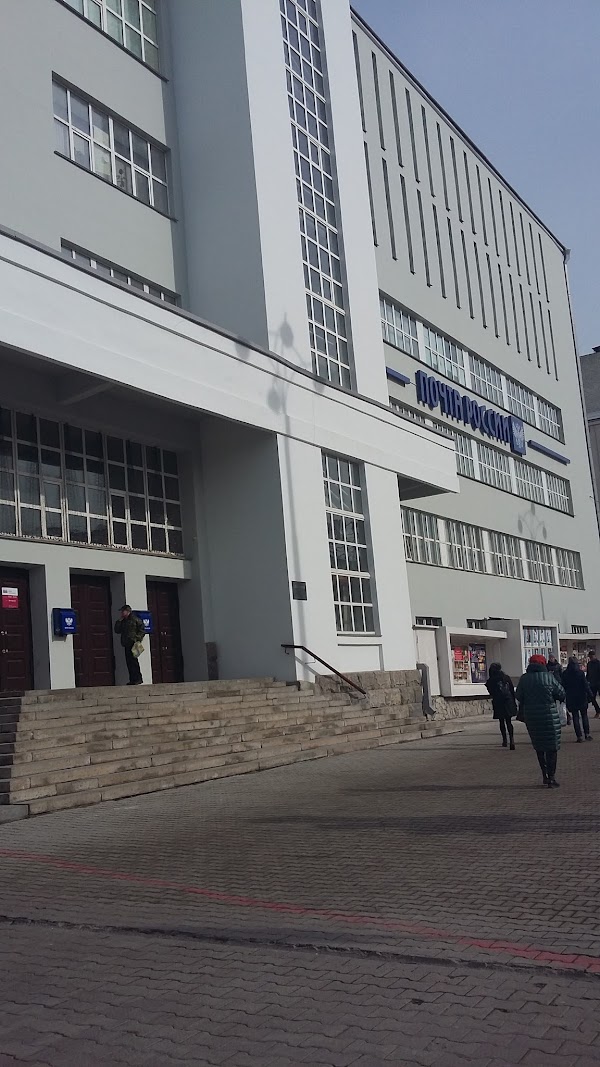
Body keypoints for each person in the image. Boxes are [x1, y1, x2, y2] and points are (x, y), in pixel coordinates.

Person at [516, 654, 565, 788]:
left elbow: (518, 695)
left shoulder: (524, 679)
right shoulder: (548, 677)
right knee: (552, 747)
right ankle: (552, 777)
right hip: (550, 716)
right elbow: (561, 693)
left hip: (532, 717)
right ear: (543, 664)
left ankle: (544, 775)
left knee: (539, 747)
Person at [485, 662, 516, 749]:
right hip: (508, 701)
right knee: (509, 721)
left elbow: (491, 692)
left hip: (498, 702)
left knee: (501, 721)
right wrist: (513, 702)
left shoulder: (491, 680)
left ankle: (504, 741)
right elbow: (512, 690)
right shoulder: (506, 677)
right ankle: (512, 740)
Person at [562, 656, 593, 742]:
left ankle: (579, 736)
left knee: (575, 717)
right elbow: (585, 685)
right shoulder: (580, 673)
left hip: (571, 697)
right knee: (584, 716)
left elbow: (563, 686)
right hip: (581, 696)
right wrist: (590, 695)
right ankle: (587, 734)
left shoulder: (565, 674)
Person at [114, 604, 145, 685]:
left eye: (123, 611)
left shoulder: (135, 619)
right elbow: (117, 630)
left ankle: (138, 678)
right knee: (129, 662)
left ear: (127, 611)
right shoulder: (123, 621)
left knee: (134, 662)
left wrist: (137, 638)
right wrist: (119, 621)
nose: (121, 613)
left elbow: (142, 629)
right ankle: (132, 679)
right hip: (126, 643)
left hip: (133, 644)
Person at [585, 650, 600, 718]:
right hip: (592, 683)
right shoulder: (589, 664)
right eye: (590, 657)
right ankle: (598, 710)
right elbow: (588, 674)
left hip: (599, 683)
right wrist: (586, 681)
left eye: (591, 657)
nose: (590, 658)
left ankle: (598, 711)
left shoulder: (598, 663)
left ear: (594, 656)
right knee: (592, 698)